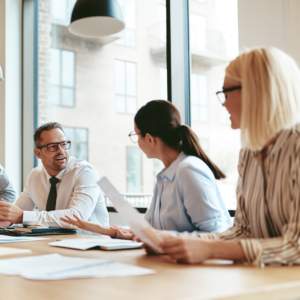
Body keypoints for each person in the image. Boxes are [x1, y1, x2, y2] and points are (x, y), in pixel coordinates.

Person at [156, 46, 300, 266]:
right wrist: (174, 242)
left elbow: (296, 246)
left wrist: (210, 250)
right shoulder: (249, 154)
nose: (223, 104)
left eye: (226, 92)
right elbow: (242, 232)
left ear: (255, 91)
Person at [61, 100, 232, 237]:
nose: (137, 142)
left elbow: (216, 234)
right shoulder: (163, 178)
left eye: (136, 134)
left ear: (149, 139)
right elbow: (148, 230)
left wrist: (162, 238)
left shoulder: (188, 171)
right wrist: (106, 230)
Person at [0, 122, 109, 228]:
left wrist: (23, 216)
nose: (61, 151)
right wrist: (6, 218)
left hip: (92, 244)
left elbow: (76, 218)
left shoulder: (85, 172)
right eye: (52, 146)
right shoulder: (35, 176)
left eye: (64, 144)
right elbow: (15, 214)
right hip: (53, 243)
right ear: (38, 153)